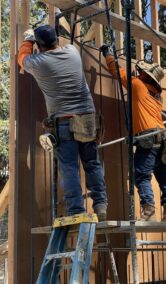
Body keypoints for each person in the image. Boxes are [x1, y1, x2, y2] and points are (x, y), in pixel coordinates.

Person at [18, 25, 108, 221]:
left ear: (39, 47)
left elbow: (22, 58)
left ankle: (76, 211)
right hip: (87, 119)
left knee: (69, 167)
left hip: (64, 122)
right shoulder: (72, 51)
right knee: (92, 163)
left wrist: (28, 40)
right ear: (57, 41)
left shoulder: (39, 63)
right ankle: (100, 204)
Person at [100, 44, 166, 222]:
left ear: (144, 75)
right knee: (164, 175)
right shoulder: (156, 95)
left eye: (140, 71)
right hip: (164, 138)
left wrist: (108, 55)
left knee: (141, 174)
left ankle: (148, 210)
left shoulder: (137, 85)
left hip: (149, 136)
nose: (138, 72)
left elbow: (118, 72)